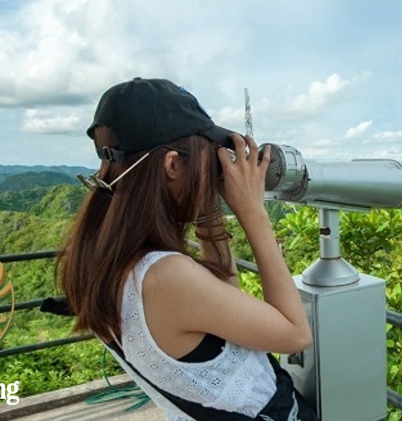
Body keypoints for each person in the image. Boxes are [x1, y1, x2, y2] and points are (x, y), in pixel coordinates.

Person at [56, 77, 316, 420]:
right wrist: (253, 213)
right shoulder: (164, 276)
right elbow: (295, 334)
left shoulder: (99, 254)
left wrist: (208, 211)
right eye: (206, 155)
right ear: (173, 165)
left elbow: (222, 301)